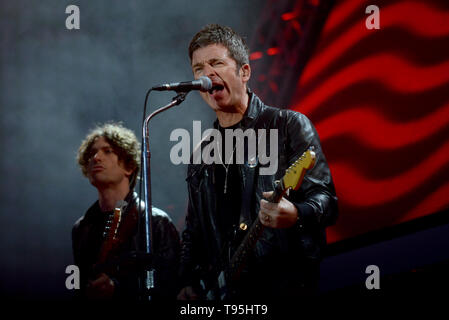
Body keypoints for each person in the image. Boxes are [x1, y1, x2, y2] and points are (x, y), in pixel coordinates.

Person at [177, 24, 338, 300]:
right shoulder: (200, 155)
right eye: (198, 69)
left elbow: (327, 201)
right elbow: (194, 233)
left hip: (284, 288)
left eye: (216, 63)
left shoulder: (288, 126)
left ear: (245, 72)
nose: (206, 74)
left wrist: (297, 214)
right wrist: (187, 282)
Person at [72, 122, 180, 300]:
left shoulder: (155, 221)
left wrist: (118, 288)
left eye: (107, 151)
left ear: (129, 167)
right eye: (92, 153)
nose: (96, 157)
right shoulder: (81, 228)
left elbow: (172, 285)